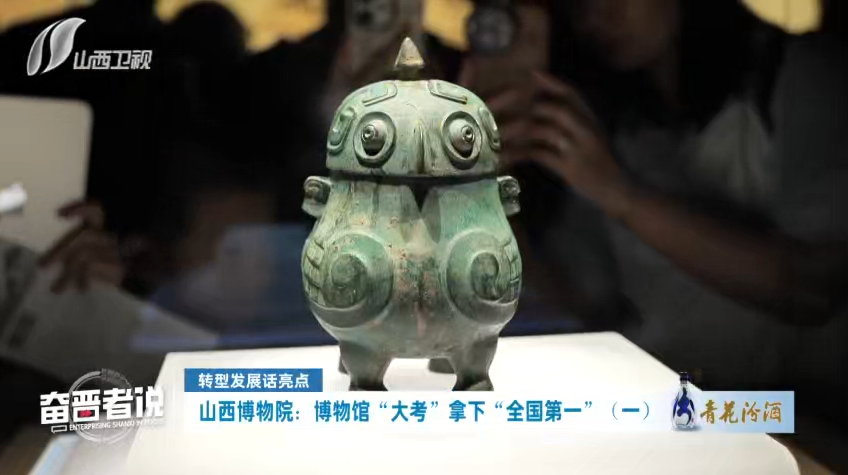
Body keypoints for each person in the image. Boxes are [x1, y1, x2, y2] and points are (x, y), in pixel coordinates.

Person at [466, 0, 848, 390]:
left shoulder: (797, 74)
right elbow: (582, 298)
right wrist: (488, 199)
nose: (597, 16)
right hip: (662, 399)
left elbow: (813, 288)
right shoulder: (616, 117)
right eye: (578, 5)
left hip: (790, 410)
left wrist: (621, 195)